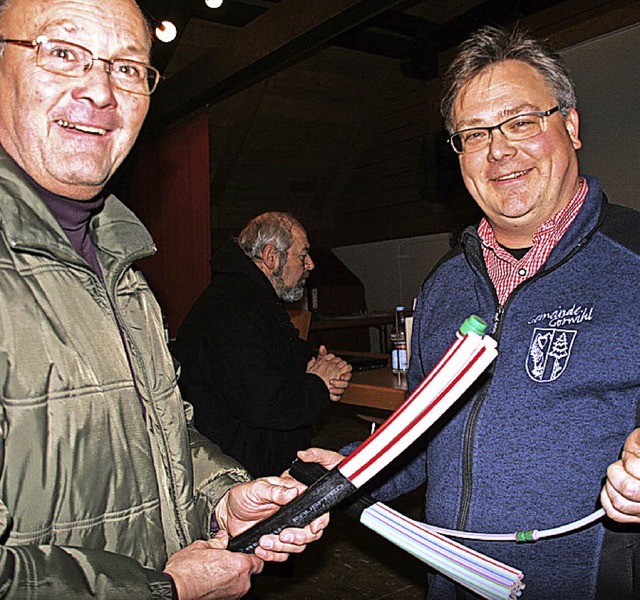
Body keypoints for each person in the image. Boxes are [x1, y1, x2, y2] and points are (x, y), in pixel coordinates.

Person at [0, 1, 329, 598]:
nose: (100, 90)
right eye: (63, 52)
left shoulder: (123, 269)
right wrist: (160, 589)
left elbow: (159, 432)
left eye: (128, 68)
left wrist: (223, 498)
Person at [304, 25, 640, 599]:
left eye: (521, 122)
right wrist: (330, 478)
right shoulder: (445, 285)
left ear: (572, 126)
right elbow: (419, 441)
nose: (499, 150)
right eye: (474, 134)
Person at [173, 212, 352, 479]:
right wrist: (318, 386)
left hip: (257, 463)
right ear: (271, 257)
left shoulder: (250, 296)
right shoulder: (233, 307)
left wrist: (318, 364)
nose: (311, 264)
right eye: (302, 256)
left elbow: (280, 355)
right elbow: (265, 403)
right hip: (240, 476)